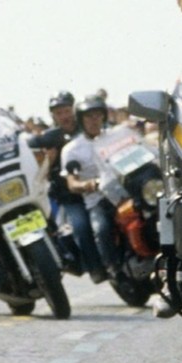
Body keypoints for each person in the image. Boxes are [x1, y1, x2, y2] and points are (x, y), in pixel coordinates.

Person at [60, 94, 122, 283]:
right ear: (80, 119)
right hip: (98, 199)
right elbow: (72, 183)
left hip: (125, 194)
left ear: (104, 116)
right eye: (88, 116)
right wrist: (89, 184)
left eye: (97, 115)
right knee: (101, 229)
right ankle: (113, 269)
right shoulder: (72, 149)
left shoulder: (117, 136)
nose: (94, 120)